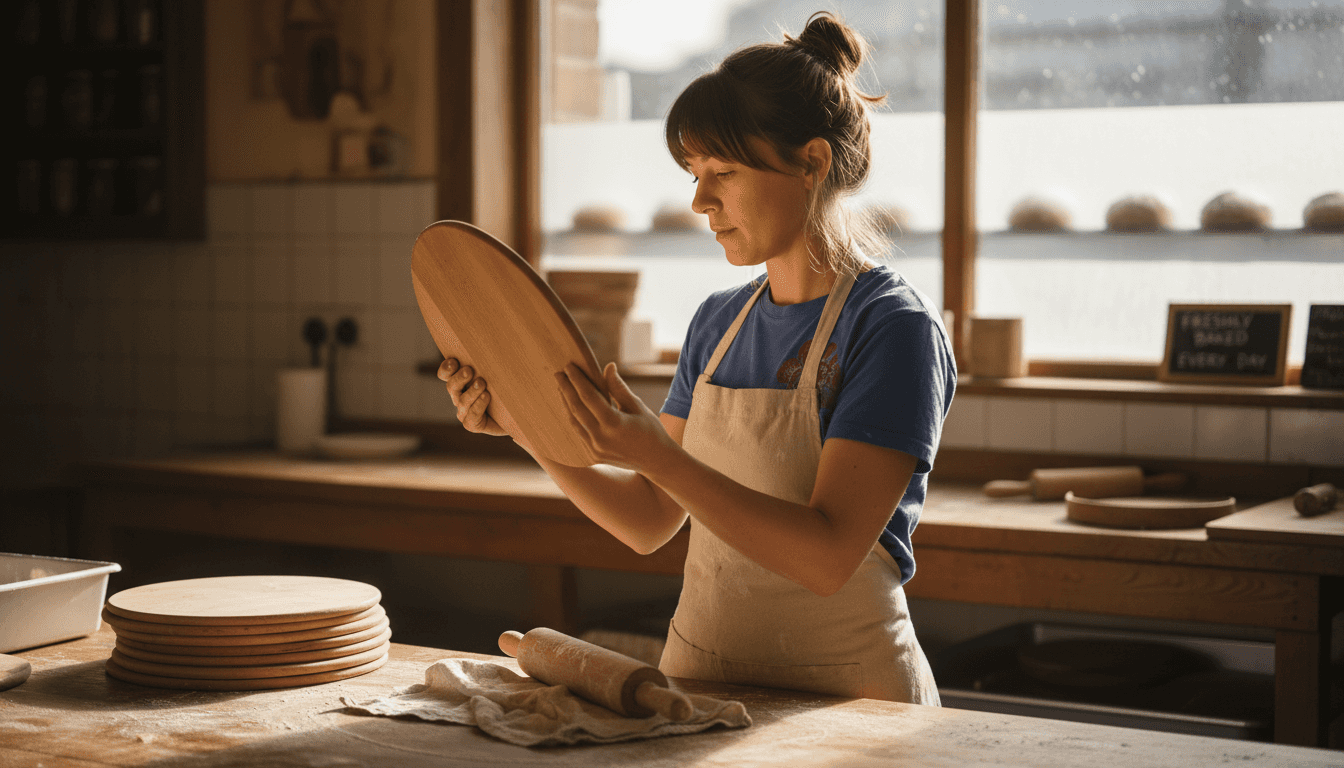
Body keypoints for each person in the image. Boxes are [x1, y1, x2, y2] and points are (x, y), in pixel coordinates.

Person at [438, 11, 955, 705]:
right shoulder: (719, 323)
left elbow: (828, 556)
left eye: (724, 171)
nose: (700, 199)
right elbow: (652, 519)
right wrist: (524, 424)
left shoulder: (892, 328)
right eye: (693, 171)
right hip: (703, 691)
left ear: (812, 161)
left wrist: (659, 456)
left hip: (851, 707)